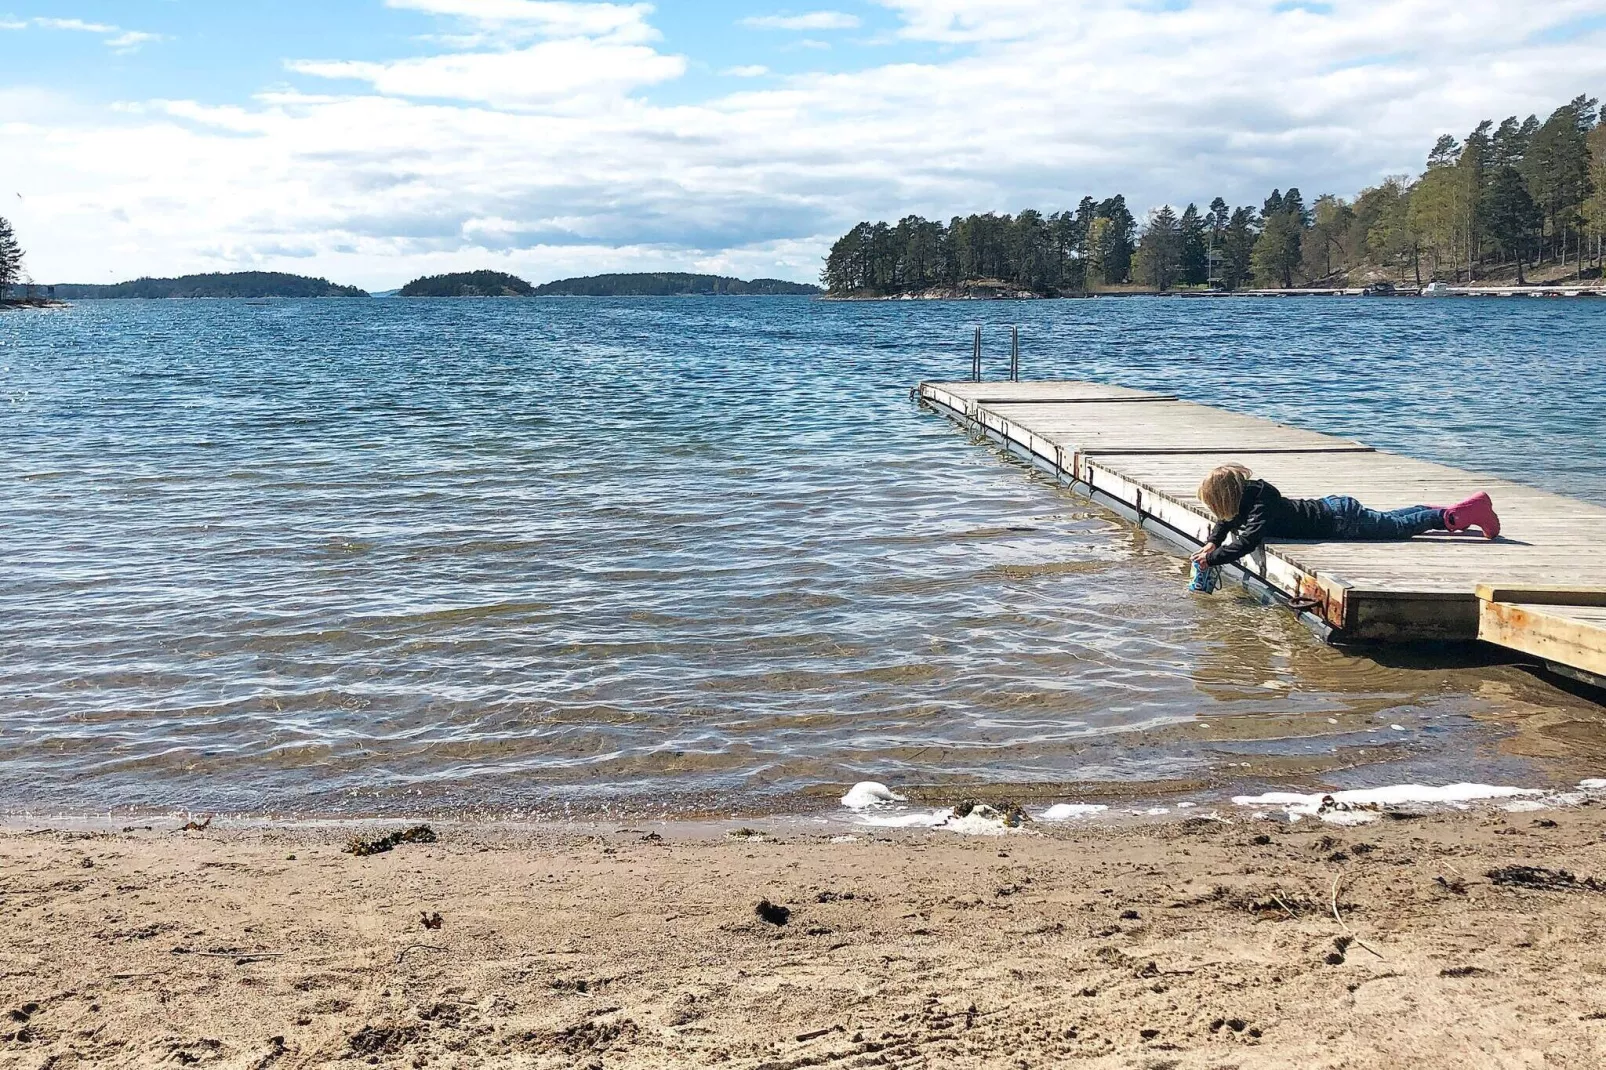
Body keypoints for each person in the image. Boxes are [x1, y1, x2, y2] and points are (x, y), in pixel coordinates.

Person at [1189, 463, 1500, 569]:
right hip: (1336, 509)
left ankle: (1452, 517)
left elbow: (1247, 541)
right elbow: (1227, 521)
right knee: (1390, 519)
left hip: (1341, 521)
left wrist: (1212, 560)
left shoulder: (1261, 504)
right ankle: (1433, 510)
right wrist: (1212, 542)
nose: (1219, 514)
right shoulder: (1248, 496)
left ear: (1228, 497)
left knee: (1398, 529)